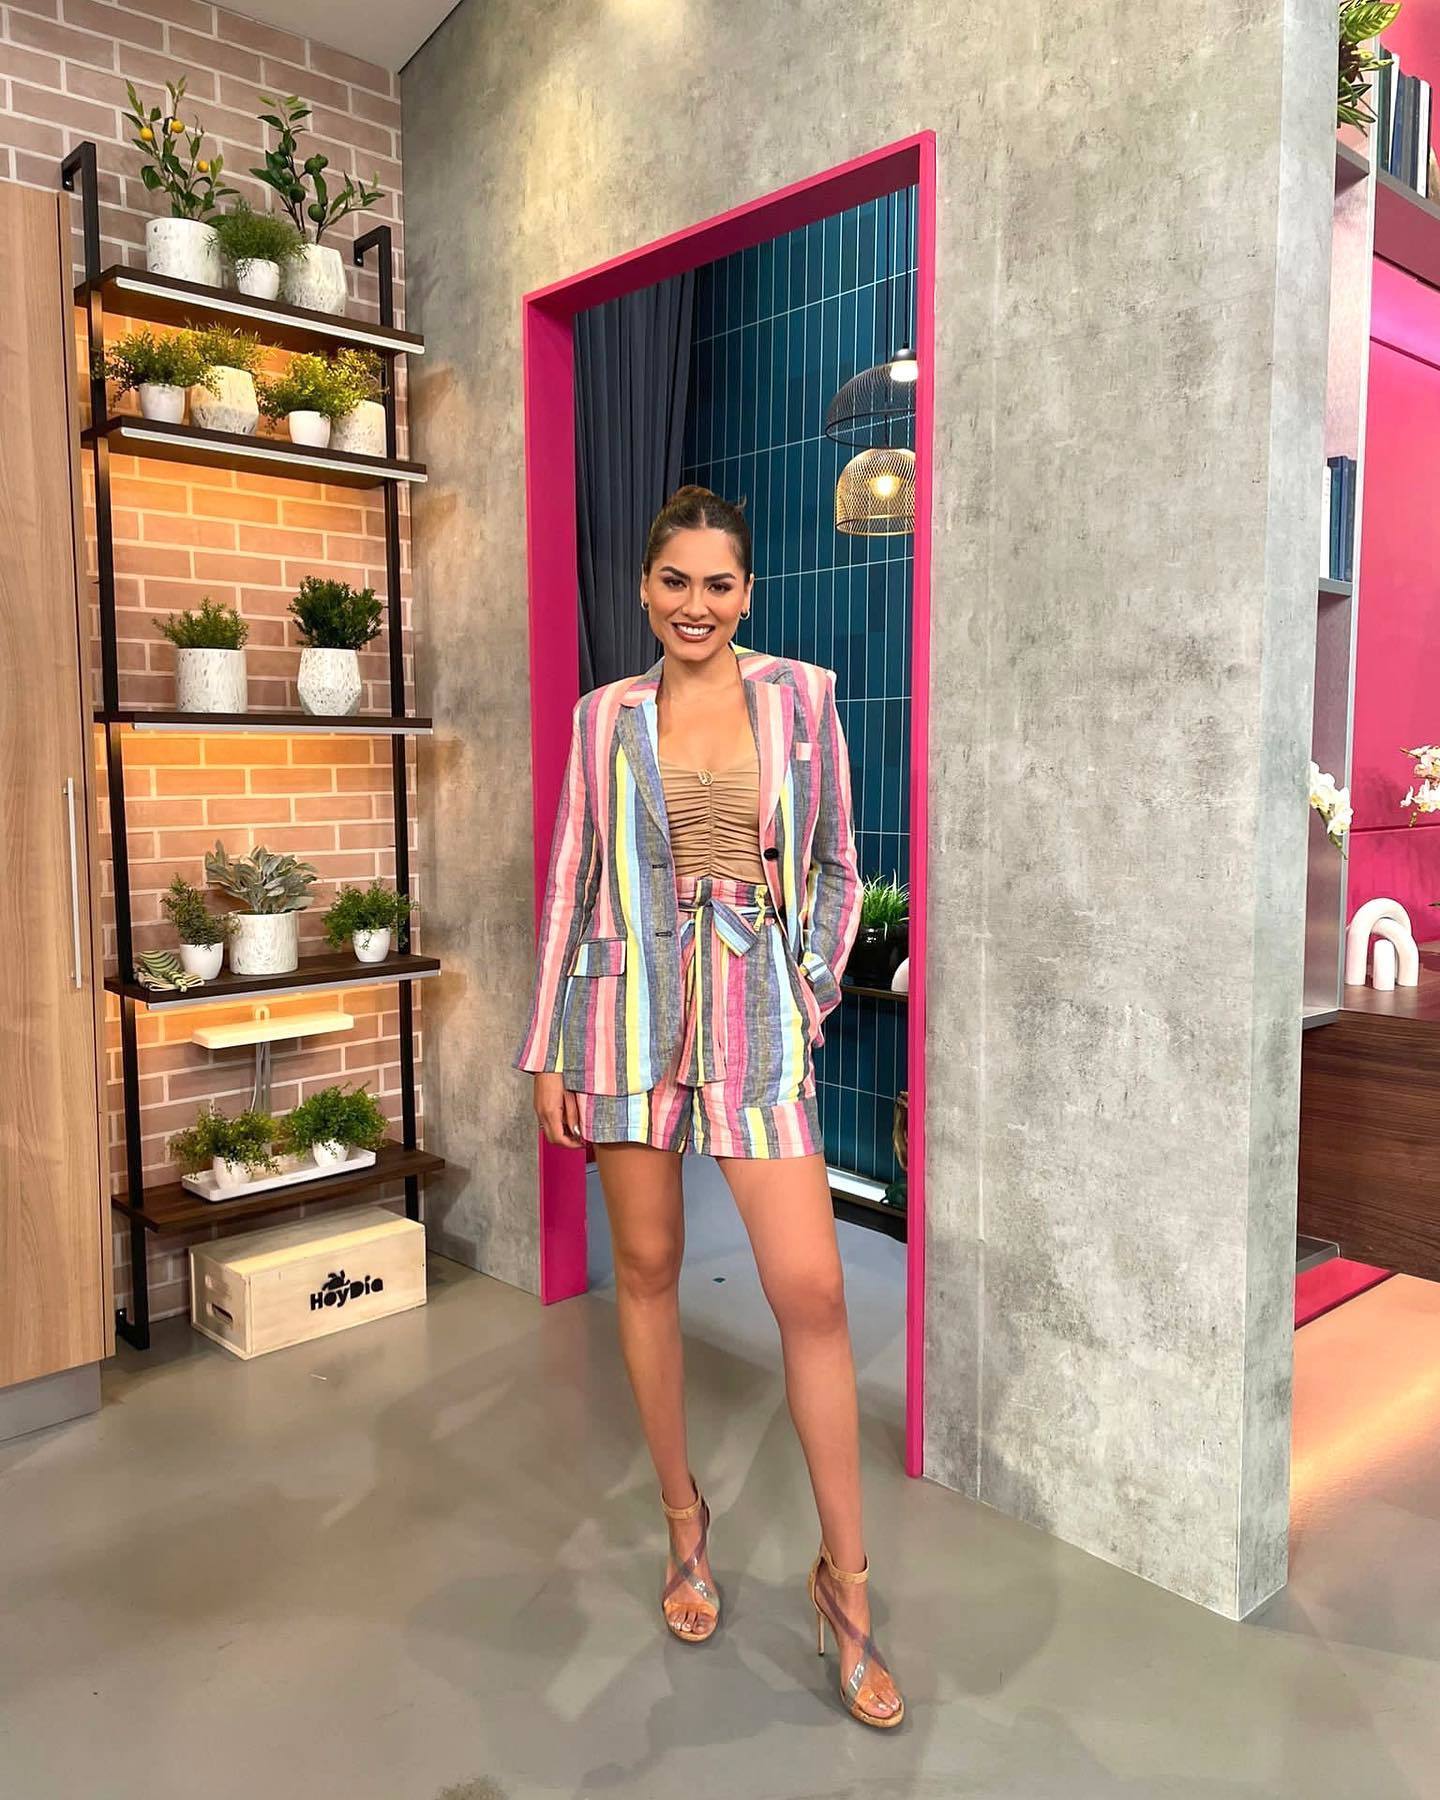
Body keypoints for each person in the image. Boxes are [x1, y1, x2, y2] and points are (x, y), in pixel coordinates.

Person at [512, 485, 904, 1728]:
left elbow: (838, 866)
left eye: (717, 583)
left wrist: (805, 989)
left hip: (755, 1012)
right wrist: (547, 1048)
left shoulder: (801, 700)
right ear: (645, 589)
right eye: (674, 581)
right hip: (622, 1014)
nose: (696, 604)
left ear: (748, 592)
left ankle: (847, 1582)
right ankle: (684, 1521)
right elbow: (572, 875)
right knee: (645, 1268)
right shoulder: (604, 716)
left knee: (814, 1292)